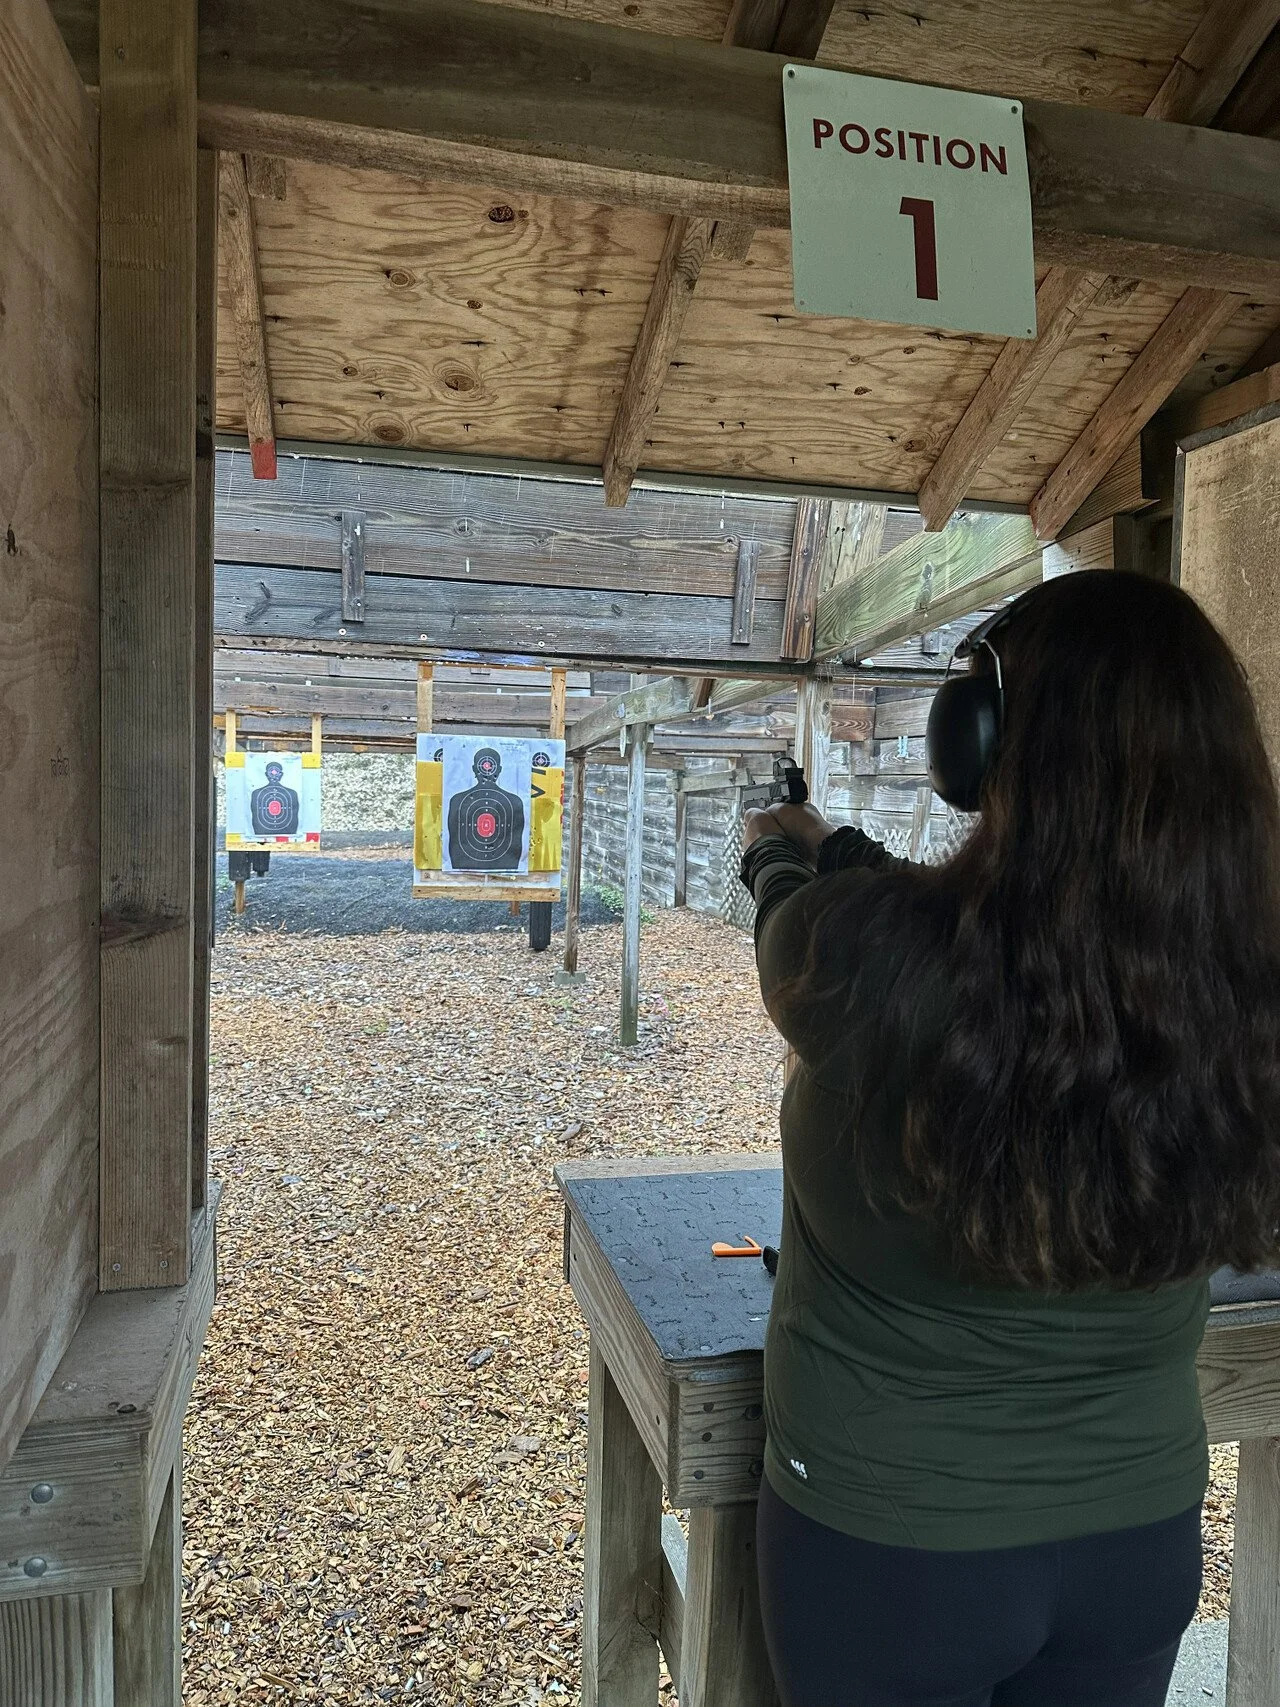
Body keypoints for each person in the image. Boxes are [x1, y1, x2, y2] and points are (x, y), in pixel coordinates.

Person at [739, 570, 1280, 1707]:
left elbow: (808, 922)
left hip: (886, 1550)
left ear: (981, 739)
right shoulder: (1237, 995)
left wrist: (787, 850)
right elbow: (1039, 953)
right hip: (1136, 1536)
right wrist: (847, 850)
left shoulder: (864, 958)